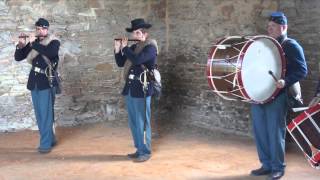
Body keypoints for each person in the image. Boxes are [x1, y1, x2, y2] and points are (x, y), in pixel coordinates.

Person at [250, 12, 307, 179]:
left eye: (272, 27)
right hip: (259, 94)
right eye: (268, 27)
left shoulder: (291, 45)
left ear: (283, 27)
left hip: (278, 95)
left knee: (275, 133)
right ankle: (266, 165)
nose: (269, 29)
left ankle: (278, 168)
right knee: (260, 130)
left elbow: (302, 70)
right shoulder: (267, 44)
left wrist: (285, 80)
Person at [114, 18, 158, 162]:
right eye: (134, 33)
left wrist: (125, 48)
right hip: (130, 89)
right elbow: (121, 63)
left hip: (142, 89)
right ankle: (139, 148)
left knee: (142, 122)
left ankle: (145, 151)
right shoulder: (133, 48)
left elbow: (138, 60)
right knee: (134, 122)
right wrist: (118, 49)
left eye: (138, 33)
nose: (135, 36)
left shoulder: (150, 47)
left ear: (145, 34)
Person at [14, 18, 60, 154]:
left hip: (46, 82)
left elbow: (50, 53)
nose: (41, 31)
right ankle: (50, 139)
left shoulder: (53, 42)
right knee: (40, 114)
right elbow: (18, 57)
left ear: (47, 29)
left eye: (43, 29)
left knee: (45, 114)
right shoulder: (34, 43)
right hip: (34, 82)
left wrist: (33, 42)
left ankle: (45, 144)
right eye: (38, 29)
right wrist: (21, 45)